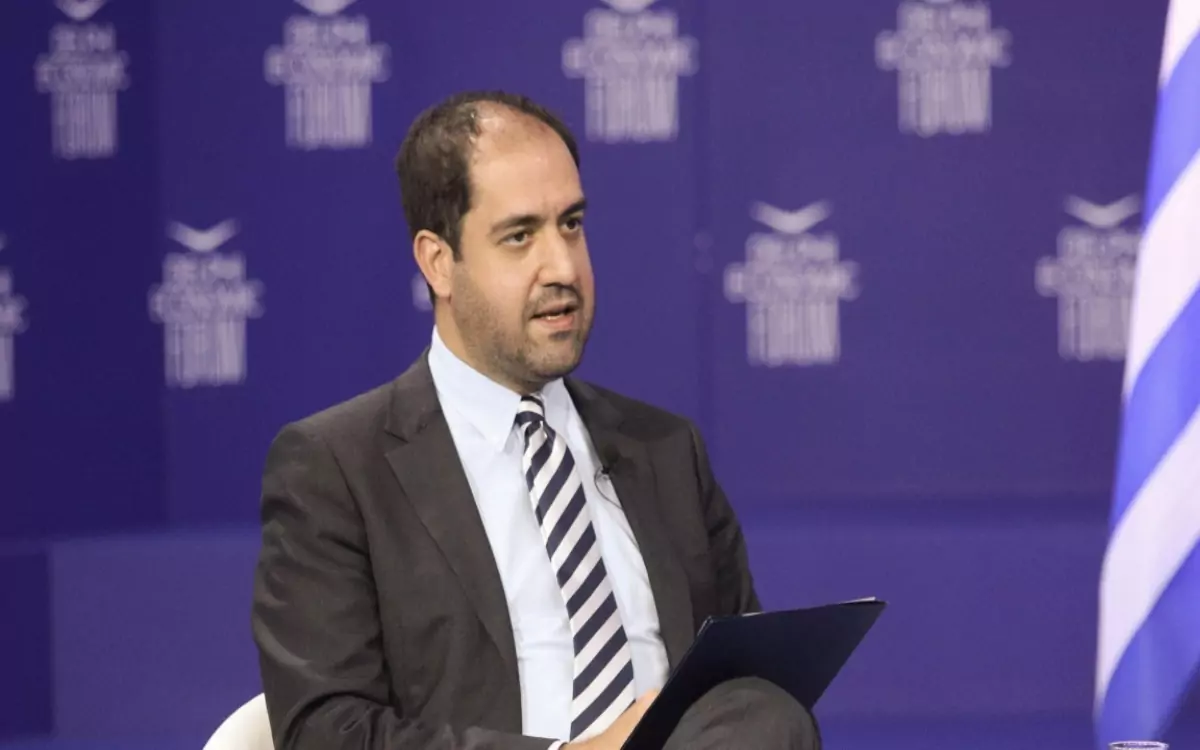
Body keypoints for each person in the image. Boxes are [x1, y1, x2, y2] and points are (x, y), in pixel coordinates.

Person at [250, 90, 820, 750]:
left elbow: (741, 685)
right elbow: (326, 732)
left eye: (571, 224)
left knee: (768, 713)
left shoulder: (665, 450)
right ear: (438, 262)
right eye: (520, 236)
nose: (563, 267)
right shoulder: (337, 469)